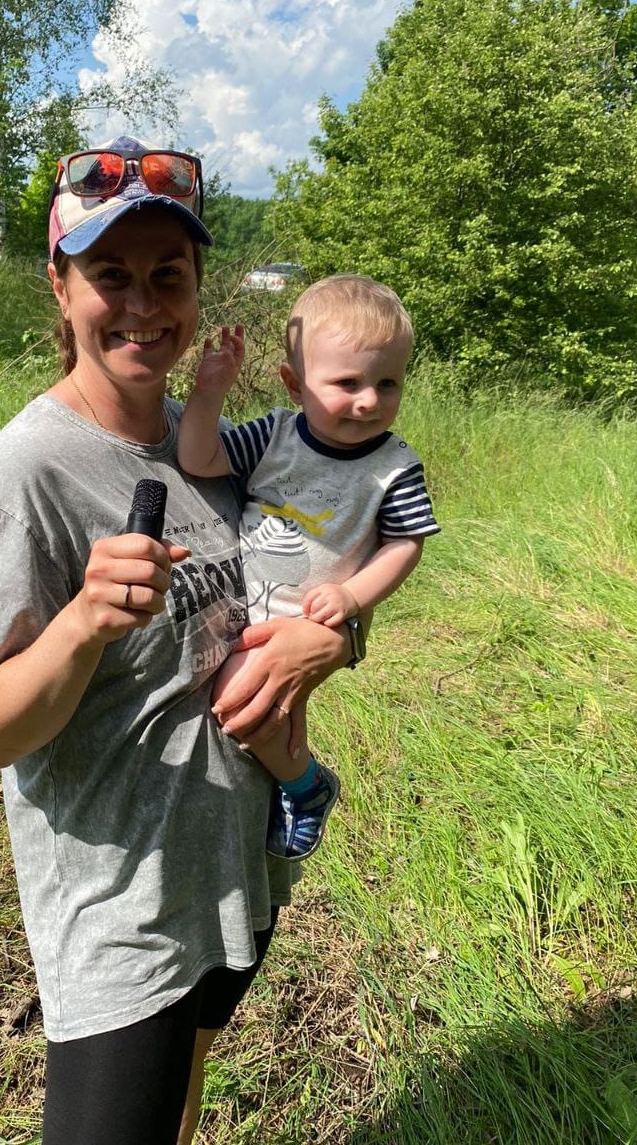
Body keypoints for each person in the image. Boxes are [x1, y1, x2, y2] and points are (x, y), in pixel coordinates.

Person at [0, 136, 355, 1145]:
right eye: (109, 274)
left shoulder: (211, 443)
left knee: (186, 1085)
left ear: (200, 288)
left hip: (234, 863)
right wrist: (80, 620)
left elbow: (302, 596)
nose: (143, 304)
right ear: (60, 285)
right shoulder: (23, 473)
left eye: (170, 275)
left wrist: (325, 642)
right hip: (122, 908)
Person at [177, 275, 440, 859]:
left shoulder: (394, 466)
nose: (369, 400)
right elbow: (198, 456)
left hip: (312, 620)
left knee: (241, 700)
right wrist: (209, 392)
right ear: (295, 385)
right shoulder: (274, 436)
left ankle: (305, 787)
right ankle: (292, 782)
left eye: (387, 382)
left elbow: (405, 545)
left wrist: (352, 600)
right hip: (244, 613)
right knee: (261, 708)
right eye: (347, 383)